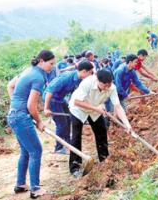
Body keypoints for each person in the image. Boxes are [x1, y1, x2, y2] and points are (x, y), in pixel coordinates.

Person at [7, 50, 55, 198]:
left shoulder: (28, 70)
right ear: (41, 61)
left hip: (13, 114)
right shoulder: (38, 77)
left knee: (26, 151)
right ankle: (35, 189)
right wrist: (39, 122)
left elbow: (10, 85)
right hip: (21, 117)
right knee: (36, 151)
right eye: (50, 63)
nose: (52, 67)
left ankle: (20, 184)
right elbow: (31, 106)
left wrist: (15, 104)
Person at [68, 69, 132, 177]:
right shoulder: (87, 83)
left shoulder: (112, 87)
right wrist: (96, 109)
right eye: (105, 85)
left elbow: (117, 106)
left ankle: (104, 160)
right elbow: (77, 102)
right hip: (78, 110)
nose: (107, 87)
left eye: (109, 84)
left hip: (95, 110)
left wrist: (127, 124)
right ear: (97, 80)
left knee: (101, 132)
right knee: (76, 137)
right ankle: (75, 167)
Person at [43, 60, 94, 155]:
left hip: (60, 99)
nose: (91, 75)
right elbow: (49, 91)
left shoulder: (79, 79)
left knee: (69, 119)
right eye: (90, 73)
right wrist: (46, 108)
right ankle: (58, 148)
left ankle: (68, 144)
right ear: (84, 72)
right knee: (61, 124)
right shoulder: (66, 78)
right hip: (52, 99)